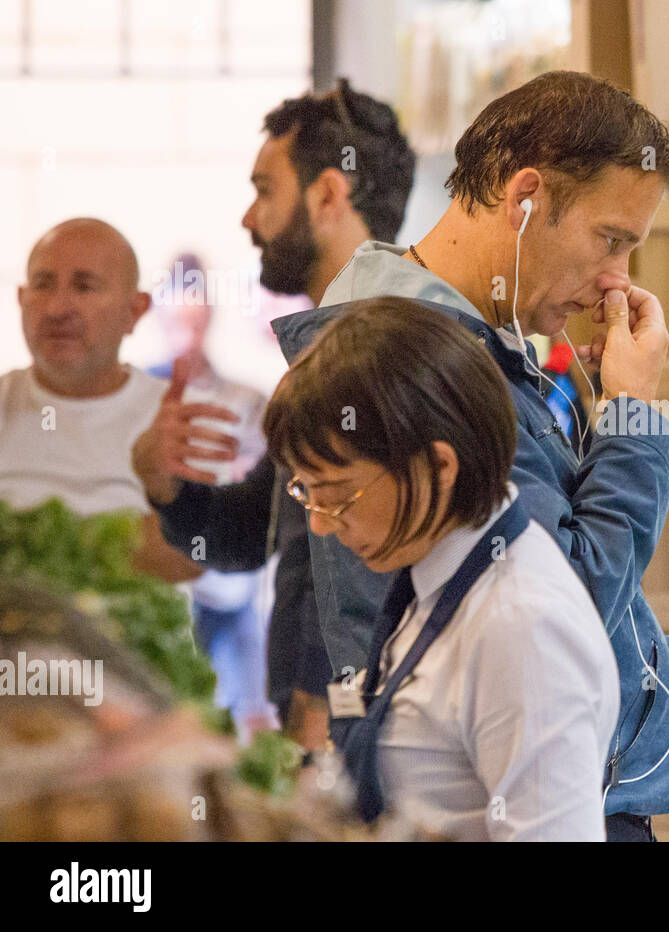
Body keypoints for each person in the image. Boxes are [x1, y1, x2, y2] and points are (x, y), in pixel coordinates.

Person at [272, 71, 669, 841]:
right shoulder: (425, 370)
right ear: (525, 199)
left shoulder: (466, 341)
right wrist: (631, 415)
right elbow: (559, 604)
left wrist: (665, 669)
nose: (617, 280)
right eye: (610, 239)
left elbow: (515, 622)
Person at [265, 297, 619, 840]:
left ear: (437, 467)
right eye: (303, 493)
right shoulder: (434, 573)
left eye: (335, 495)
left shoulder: (520, 627)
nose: (319, 524)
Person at [131, 80, 416, 745]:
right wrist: (166, 482)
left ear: (327, 196)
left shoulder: (389, 352)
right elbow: (247, 536)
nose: (247, 218)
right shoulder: (316, 357)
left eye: (264, 191)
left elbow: (367, 571)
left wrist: (320, 716)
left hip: (360, 739)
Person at [0, 218, 211, 583]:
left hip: (134, 639)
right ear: (20, 299)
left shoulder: (177, 418)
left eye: (84, 287)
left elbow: (197, 558)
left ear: (135, 311)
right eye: (43, 284)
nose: (57, 308)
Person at [148, 253, 277, 740]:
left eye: (195, 320)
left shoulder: (247, 402)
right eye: (178, 321)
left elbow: (267, 493)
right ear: (160, 317)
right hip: (162, 586)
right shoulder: (139, 400)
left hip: (230, 587)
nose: (187, 333)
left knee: (245, 719)